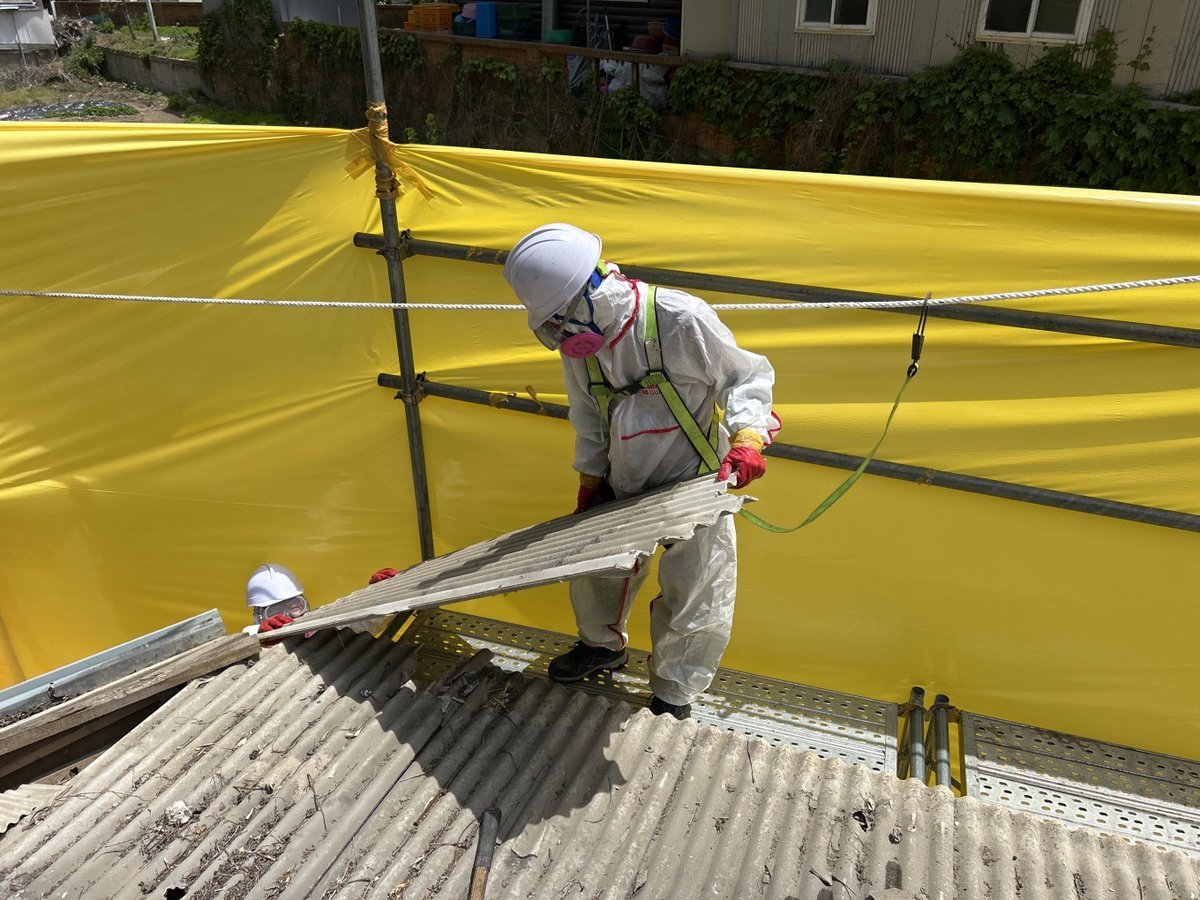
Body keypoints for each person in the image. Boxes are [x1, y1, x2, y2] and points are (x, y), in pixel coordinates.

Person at [503, 223, 779, 720]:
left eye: (564, 319)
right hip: (624, 478)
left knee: (697, 589)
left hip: (696, 479)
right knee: (596, 574)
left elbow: (745, 377)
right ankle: (601, 647)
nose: (563, 333)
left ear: (592, 290)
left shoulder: (678, 318)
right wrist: (590, 482)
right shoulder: (581, 346)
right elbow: (589, 417)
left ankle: (674, 691)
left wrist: (747, 438)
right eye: (553, 324)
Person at [244, 564, 399, 641]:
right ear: (259, 617)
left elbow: (362, 623)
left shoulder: (317, 626)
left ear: (306, 604)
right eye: (275, 611)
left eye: (294, 606)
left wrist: (379, 597)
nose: (287, 616)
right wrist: (264, 640)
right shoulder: (253, 635)